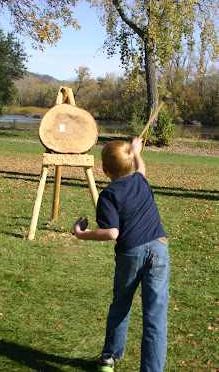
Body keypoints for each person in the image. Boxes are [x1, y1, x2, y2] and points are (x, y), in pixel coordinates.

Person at [73, 137, 170, 372]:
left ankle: (109, 358)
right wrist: (137, 152)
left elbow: (112, 232)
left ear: (104, 169)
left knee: (121, 305)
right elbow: (142, 169)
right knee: (155, 317)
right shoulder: (141, 180)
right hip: (160, 250)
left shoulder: (108, 194)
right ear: (130, 164)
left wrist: (81, 233)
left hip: (131, 254)